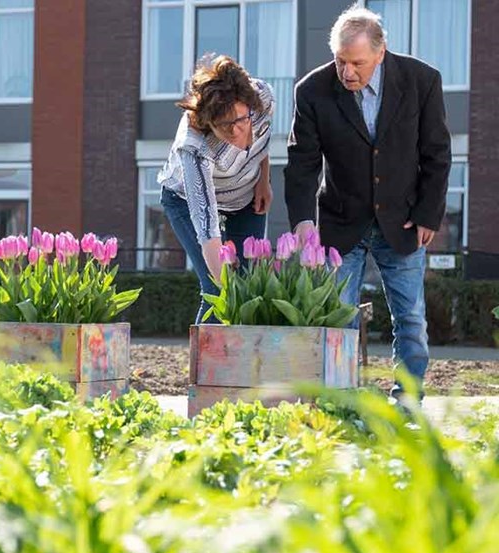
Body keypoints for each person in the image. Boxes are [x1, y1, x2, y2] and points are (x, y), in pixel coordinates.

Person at [284, 5, 451, 403]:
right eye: (340, 61)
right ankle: (341, 402)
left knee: (410, 320)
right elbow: (302, 163)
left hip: (405, 220)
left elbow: (437, 154)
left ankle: (407, 402)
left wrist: (429, 212)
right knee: (338, 319)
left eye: (357, 62)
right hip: (341, 222)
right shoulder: (311, 90)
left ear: (381, 52)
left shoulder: (421, 81)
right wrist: (303, 221)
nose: (347, 72)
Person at [158, 55, 275, 323]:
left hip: (244, 194)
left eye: (241, 120)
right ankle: (205, 364)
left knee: (250, 287)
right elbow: (207, 228)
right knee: (216, 291)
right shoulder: (193, 147)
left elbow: (263, 138)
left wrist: (263, 180)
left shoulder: (263, 97)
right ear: (208, 122)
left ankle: (243, 362)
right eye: (224, 126)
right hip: (186, 201)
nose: (236, 132)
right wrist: (226, 292)